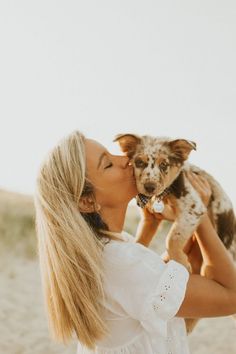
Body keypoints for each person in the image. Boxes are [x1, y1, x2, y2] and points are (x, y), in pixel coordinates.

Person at [34, 130, 236, 354]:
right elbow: (232, 297)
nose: (126, 160)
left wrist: (157, 225)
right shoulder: (124, 264)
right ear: (87, 201)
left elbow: (165, 288)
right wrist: (199, 212)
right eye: (108, 164)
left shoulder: (107, 250)